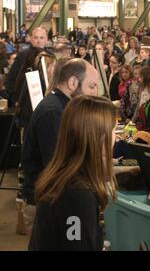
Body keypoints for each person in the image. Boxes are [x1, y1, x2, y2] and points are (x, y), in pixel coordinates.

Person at [29, 95, 117, 251]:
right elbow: (75, 242)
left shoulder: (63, 176)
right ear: (97, 137)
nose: (115, 138)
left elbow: (75, 239)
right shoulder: (77, 196)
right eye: (113, 130)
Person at [21, 59, 99, 235]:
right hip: (47, 202)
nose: (95, 94)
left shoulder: (61, 107)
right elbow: (59, 166)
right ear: (73, 82)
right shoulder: (54, 112)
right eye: (92, 86)